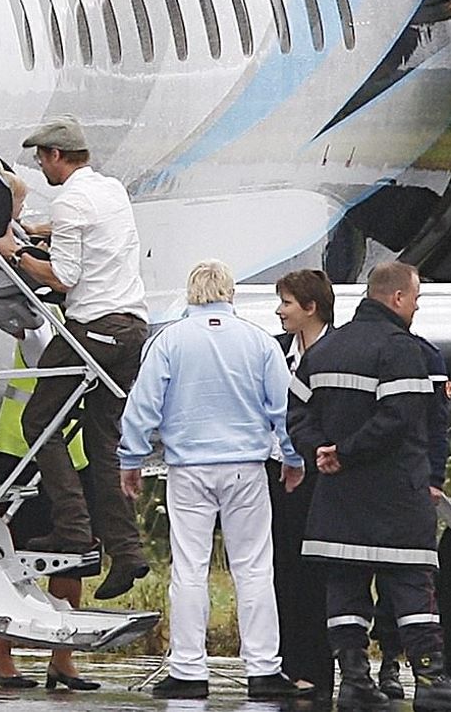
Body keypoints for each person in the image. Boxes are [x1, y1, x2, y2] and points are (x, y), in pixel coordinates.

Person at [289, 261, 451, 712]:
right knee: (414, 589)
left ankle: (354, 680)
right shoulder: (403, 351)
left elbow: (296, 413)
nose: (416, 306)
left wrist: (322, 452)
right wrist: (348, 453)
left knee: (346, 590)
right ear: (396, 298)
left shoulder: (326, 348)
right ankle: (431, 680)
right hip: (394, 499)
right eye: (414, 298)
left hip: (337, 500)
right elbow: (402, 418)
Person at [118, 259, 304, 699]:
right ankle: (262, 669)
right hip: (246, 468)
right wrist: (292, 457)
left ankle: (188, 669)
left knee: (189, 568)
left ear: (190, 294)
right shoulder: (260, 343)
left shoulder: (168, 342)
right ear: (231, 294)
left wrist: (132, 458)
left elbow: (143, 407)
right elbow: (283, 409)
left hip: (188, 470)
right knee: (254, 568)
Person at [0, 114, 149, 601]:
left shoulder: (73, 198)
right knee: (103, 443)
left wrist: (14, 253)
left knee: (39, 419)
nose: (41, 169)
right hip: (131, 330)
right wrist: (33, 230)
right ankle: (127, 553)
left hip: (95, 327)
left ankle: (73, 528)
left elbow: (62, 277)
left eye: (42, 159)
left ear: (58, 156)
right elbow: (76, 231)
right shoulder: (110, 189)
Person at [0, 320, 100, 691]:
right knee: (16, 556)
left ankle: (62, 657)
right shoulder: (40, 313)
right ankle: (0, 654)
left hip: (73, 450)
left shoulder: (88, 319)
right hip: (22, 448)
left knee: (72, 553)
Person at [268, 269, 336, 697]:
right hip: (277, 474)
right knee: (283, 568)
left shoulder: (339, 351)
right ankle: (290, 664)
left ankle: (321, 668)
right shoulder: (275, 351)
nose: (279, 311)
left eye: (287, 303)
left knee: (320, 574)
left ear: (311, 307)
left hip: (324, 475)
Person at [372, 333, 450, 699]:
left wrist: (434, 477)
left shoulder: (426, 355)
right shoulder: (362, 350)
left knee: (400, 578)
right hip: (369, 478)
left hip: (407, 482)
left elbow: (437, 422)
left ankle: (391, 658)